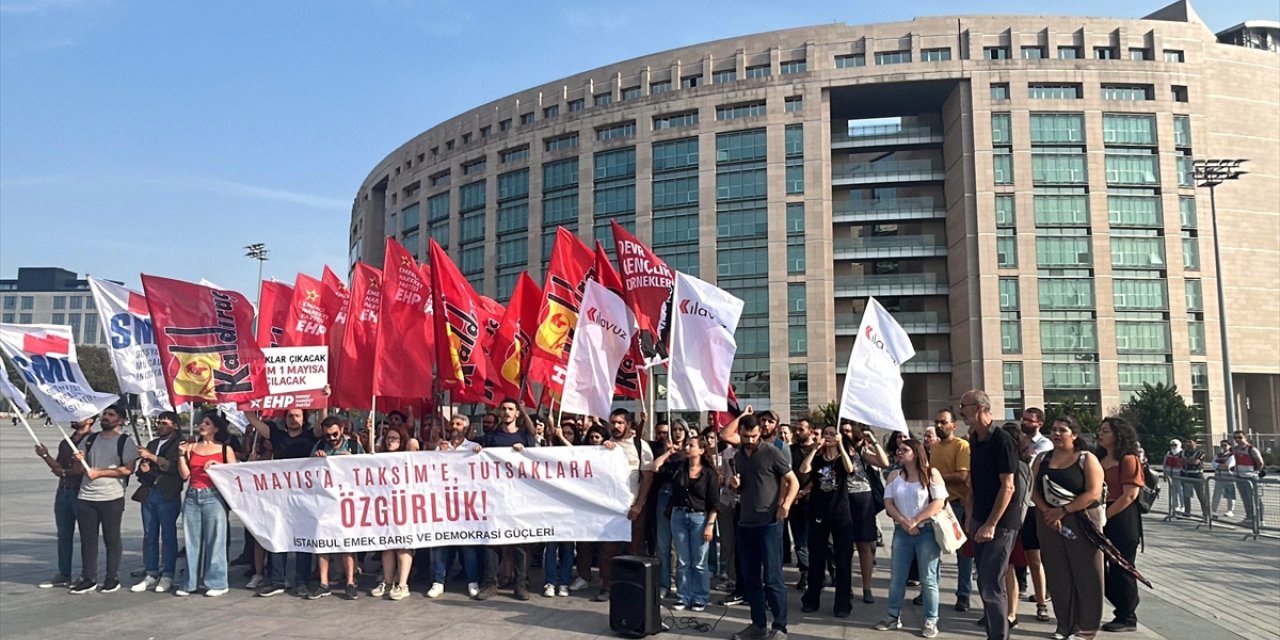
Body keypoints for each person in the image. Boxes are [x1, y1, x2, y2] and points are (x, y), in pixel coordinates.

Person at [720, 408, 799, 640]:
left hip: (769, 524)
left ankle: (780, 626)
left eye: (755, 435)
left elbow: (792, 480)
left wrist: (785, 505)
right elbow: (725, 434)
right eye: (747, 436)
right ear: (741, 433)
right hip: (745, 523)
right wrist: (735, 485)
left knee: (773, 578)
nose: (751, 440)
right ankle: (758, 624)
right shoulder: (739, 455)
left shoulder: (772, 452)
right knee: (750, 576)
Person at [1028, 415, 1104, 640]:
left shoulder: (1086, 458)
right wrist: (1046, 511)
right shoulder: (1042, 458)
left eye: (1063, 430)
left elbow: (1093, 493)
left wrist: (1064, 511)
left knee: (1087, 572)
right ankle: (1064, 624)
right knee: (1057, 573)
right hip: (1048, 520)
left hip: (1081, 520)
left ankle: (1087, 627)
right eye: (1054, 429)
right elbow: (1032, 488)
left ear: (1074, 434)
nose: (1057, 434)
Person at [959, 389, 1021, 640]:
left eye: (963, 405)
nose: (960, 410)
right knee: (984, 581)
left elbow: (1008, 486)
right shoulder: (975, 438)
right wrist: (970, 515)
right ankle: (994, 633)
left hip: (1000, 523)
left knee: (992, 583)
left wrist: (991, 524)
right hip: (979, 518)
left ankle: (998, 636)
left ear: (979, 408)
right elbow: (974, 481)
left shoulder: (1002, 440)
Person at [247, 408, 324, 597]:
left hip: (305, 496)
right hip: (280, 496)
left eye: (297, 415)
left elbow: (322, 421)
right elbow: (253, 420)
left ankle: (301, 581)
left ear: (304, 418)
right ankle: (277, 580)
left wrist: (323, 402)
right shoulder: (277, 435)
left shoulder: (310, 436)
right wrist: (244, 399)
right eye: (290, 415)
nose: (293, 419)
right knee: (277, 535)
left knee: (303, 538)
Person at [876, 438, 947, 638]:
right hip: (902, 532)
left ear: (915, 453)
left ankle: (931, 621)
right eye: (898, 450)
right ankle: (892, 616)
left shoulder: (931, 474)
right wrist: (905, 522)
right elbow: (888, 503)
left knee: (928, 578)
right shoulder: (893, 476)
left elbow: (939, 502)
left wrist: (915, 520)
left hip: (926, 532)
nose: (899, 453)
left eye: (904, 450)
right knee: (897, 578)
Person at [69, 404, 140, 594]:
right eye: (104, 414)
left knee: (112, 538)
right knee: (88, 539)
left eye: (110, 415)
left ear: (120, 420)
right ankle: (89, 577)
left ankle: (112, 577)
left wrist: (99, 473)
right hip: (86, 495)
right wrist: (78, 460)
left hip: (111, 496)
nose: (105, 418)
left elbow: (127, 469)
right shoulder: (90, 440)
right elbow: (79, 470)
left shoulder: (125, 441)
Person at [588, 408, 654, 603]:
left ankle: (636, 586)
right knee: (607, 550)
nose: (616, 426)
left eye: (620, 422)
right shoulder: (604, 447)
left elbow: (648, 477)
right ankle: (607, 586)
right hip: (610, 509)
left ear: (628, 424)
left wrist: (639, 505)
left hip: (633, 508)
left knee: (635, 549)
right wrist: (601, 450)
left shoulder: (640, 446)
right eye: (613, 422)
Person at [476, 399, 539, 601]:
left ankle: (520, 585)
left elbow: (535, 447)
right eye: (503, 409)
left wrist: (524, 452)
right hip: (495, 497)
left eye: (510, 409)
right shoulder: (491, 437)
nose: (506, 412)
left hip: (519, 497)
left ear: (517, 413)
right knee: (491, 541)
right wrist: (477, 451)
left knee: (519, 542)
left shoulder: (524, 437)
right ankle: (489, 584)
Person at [655, 433, 721, 611]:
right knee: (683, 560)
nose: (687, 448)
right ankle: (684, 596)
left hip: (699, 518)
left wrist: (710, 525)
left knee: (699, 561)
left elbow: (715, 503)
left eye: (691, 445)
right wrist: (668, 452)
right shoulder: (679, 467)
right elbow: (656, 467)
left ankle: (700, 596)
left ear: (701, 450)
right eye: (687, 445)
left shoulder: (709, 474)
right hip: (678, 516)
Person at [175, 411, 238, 597]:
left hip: (214, 495)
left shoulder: (225, 449)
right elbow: (185, 475)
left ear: (216, 428)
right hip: (193, 494)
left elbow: (234, 473)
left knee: (215, 540)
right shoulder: (191, 447)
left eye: (207, 423)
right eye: (202, 422)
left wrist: (218, 467)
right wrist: (180, 455)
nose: (202, 425)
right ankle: (189, 582)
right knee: (191, 540)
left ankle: (217, 582)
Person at [798, 425, 857, 618]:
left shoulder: (841, 459)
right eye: (826, 434)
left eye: (832, 434)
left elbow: (850, 469)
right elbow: (803, 469)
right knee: (816, 557)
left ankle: (842, 603)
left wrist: (840, 447)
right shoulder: (817, 459)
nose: (829, 437)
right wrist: (815, 447)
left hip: (840, 513)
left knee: (842, 559)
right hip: (819, 512)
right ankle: (811, 598)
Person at [308, 415, 366, 600]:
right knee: (323, 542)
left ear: (342, 429)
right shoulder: (319, 446)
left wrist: (353, 459)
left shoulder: (354, 447)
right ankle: (324, 583)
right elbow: (307, 472)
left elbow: (367, 469)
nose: (332, 439)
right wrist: (316, 460)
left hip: (347, 502)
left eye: (334, 434)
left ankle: (350, 582)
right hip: (324, 503)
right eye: (328, 436)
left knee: (346, 543)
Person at [34, 416, 95, 589]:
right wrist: (45, 455)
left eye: (80, 417)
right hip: (63, 492)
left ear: (90, 420)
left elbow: (80, 470)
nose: (75, 420)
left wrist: (64, 472)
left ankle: (86, 574)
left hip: (82, 493)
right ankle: (64, 573)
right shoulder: (66, 442)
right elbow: (58, 467)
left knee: (86, 536)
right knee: (64, 535)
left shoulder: (93, 441)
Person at [1096, 417, 1145, 633]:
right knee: (1098, 566)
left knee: (1122, 567)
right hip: (1098, 513)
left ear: (1118, 435)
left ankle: (1127, 615)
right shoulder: (1097, 458)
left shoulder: (1128, 459)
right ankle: (1119, 604)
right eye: (1101, 430)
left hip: (1121, 517)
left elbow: (1130, 495)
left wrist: (1105, 516)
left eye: (1106, 430)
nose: (1101, 433)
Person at [130, 411, 184, 593]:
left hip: (167, 494)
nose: (160, 426)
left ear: (174, 426)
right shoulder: (153, 443)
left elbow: (173, 467)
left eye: (165, 423)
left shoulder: (179, 444)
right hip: (149, 492)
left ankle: (168, 572)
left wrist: (152, 458)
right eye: (159, 423)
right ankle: (151, 571)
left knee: (168, 535)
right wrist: (144, 469)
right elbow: (142, 469)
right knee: (149, 534)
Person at [431, 414, 483, 598]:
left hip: (465, 504)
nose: (454, 426)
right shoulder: (441, 446)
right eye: (452, 423)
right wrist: (439, 453)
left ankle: (472, 581)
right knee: (441, 544)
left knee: (467, 545)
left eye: (458, 424)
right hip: (444, 503)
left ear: (465, 427)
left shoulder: (473, 448)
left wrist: (478, 454)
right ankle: (438, 581)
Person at [930, 408, 973, 611]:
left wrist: (935, 477)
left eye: (943, 422)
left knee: (963, 554)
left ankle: (963, 594)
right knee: (932, 550)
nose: (939, 425)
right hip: (937, 505)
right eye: (937, 422)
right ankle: (930, 590)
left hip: (957, 504)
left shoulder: (961, 445)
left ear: (953, 425)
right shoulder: (935, 447)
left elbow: (962, 476)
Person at [369, 423, 414, 601]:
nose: (390, 441)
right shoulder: (380, 457)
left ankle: (402, 584)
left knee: (403, 544)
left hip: (404, 505)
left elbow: (414, 444)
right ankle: (387, 582)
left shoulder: (408, 457)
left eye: (395, 438)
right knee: (387, 544)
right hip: (385, 506)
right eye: (388, 438)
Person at [1018, 408, 1051, 620]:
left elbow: (1033, 469)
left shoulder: (1044, 445)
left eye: (1029, 420)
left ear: (1039, 423)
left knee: (1035, 557)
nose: (1025, 423)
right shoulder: (1018, 442)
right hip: (1017, 505)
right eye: (1023, 419)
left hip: (1032, 507)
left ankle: (1042, 600)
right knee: (1019, 556)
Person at [788, 419, 817, 591]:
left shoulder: (818, 451)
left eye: (801, 429)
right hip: (794, 502)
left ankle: (817, 572)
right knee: (799, 541)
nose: (798, 432)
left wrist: (804, 491)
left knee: (813, 540)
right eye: (796, 429)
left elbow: (818, 475)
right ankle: (805, 573)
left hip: (812, 502)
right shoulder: (791, 450)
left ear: (811, 431)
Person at [1231, 431, 1266, 525]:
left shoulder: (1251, 449)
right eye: (1235, 438)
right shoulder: (1236, 449)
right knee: (1245, 498)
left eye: (1240, 437)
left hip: (1251, 478)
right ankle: (1249, 517)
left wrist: (1256, 472)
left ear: (1245, 437)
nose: (1237, 439)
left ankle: (1260, 519)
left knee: (1255, 498)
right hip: (1240, 477)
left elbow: (1260, 462)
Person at [1179, 439, 1207, 519]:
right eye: (1186, 442)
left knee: (1201, 496)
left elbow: (1196, 462)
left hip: (1197, 476)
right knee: (1186, 495)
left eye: (1190, 442)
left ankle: (1205, 513)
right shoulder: (1183, 452)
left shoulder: (1200, 452)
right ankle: (1187, 512)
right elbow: (1180, 461)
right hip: (1186, 475)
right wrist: (1189, 461)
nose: (1188, 443)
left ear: (1195, 443)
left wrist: (1186, 461)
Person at [1211, 439, 1237, 519]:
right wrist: (1220, 465)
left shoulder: (1232, 455)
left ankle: (1230, 510)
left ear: (1229, 446)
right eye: (1222, 445)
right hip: (1219, 476)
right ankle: (1213, 510)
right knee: (1216, 494)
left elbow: (1229, 465)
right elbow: (1213, 463)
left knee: (1230, 494)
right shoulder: (1218, 455)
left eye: (1225, 445)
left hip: (1229, 477)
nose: (1223, 447)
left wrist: (1218, 465)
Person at [1160, 440, 1184, 520]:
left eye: (1175, 445)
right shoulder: (1168, 453)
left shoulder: (1182, 453)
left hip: (1179, 475)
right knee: (1173, 492)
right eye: (1172, 445)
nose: (1173, 446)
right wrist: (1165, 474)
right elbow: (1165, 463)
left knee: (1180, 491)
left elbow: (1183, 463)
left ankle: (1182, 506)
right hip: (1170, 475)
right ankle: (1175, 506)